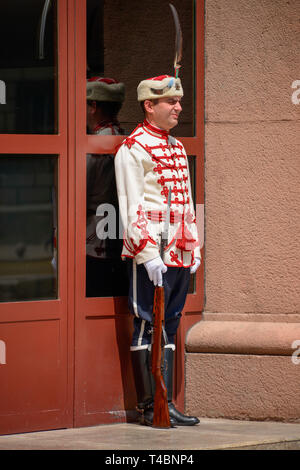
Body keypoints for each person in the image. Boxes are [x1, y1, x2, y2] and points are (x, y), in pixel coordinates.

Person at [114, 74, 201, 426]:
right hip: (151, 251)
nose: (179, 107)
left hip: (179, 249)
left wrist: (193, 246)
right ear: (150, 106)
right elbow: (130, 205)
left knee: (172, 320)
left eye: (179, 101)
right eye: (171, 102)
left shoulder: (177, 147)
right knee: (147, 322)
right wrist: (146, 253)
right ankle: (150, 405)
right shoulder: (133, 149)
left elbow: (187, 203)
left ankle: (168, 401)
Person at [86, 77, 128, 297]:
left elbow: (77, 193)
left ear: (93, 106)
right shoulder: (128, 139)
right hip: (121, 232)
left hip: (94, 236)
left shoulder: (94, 144)